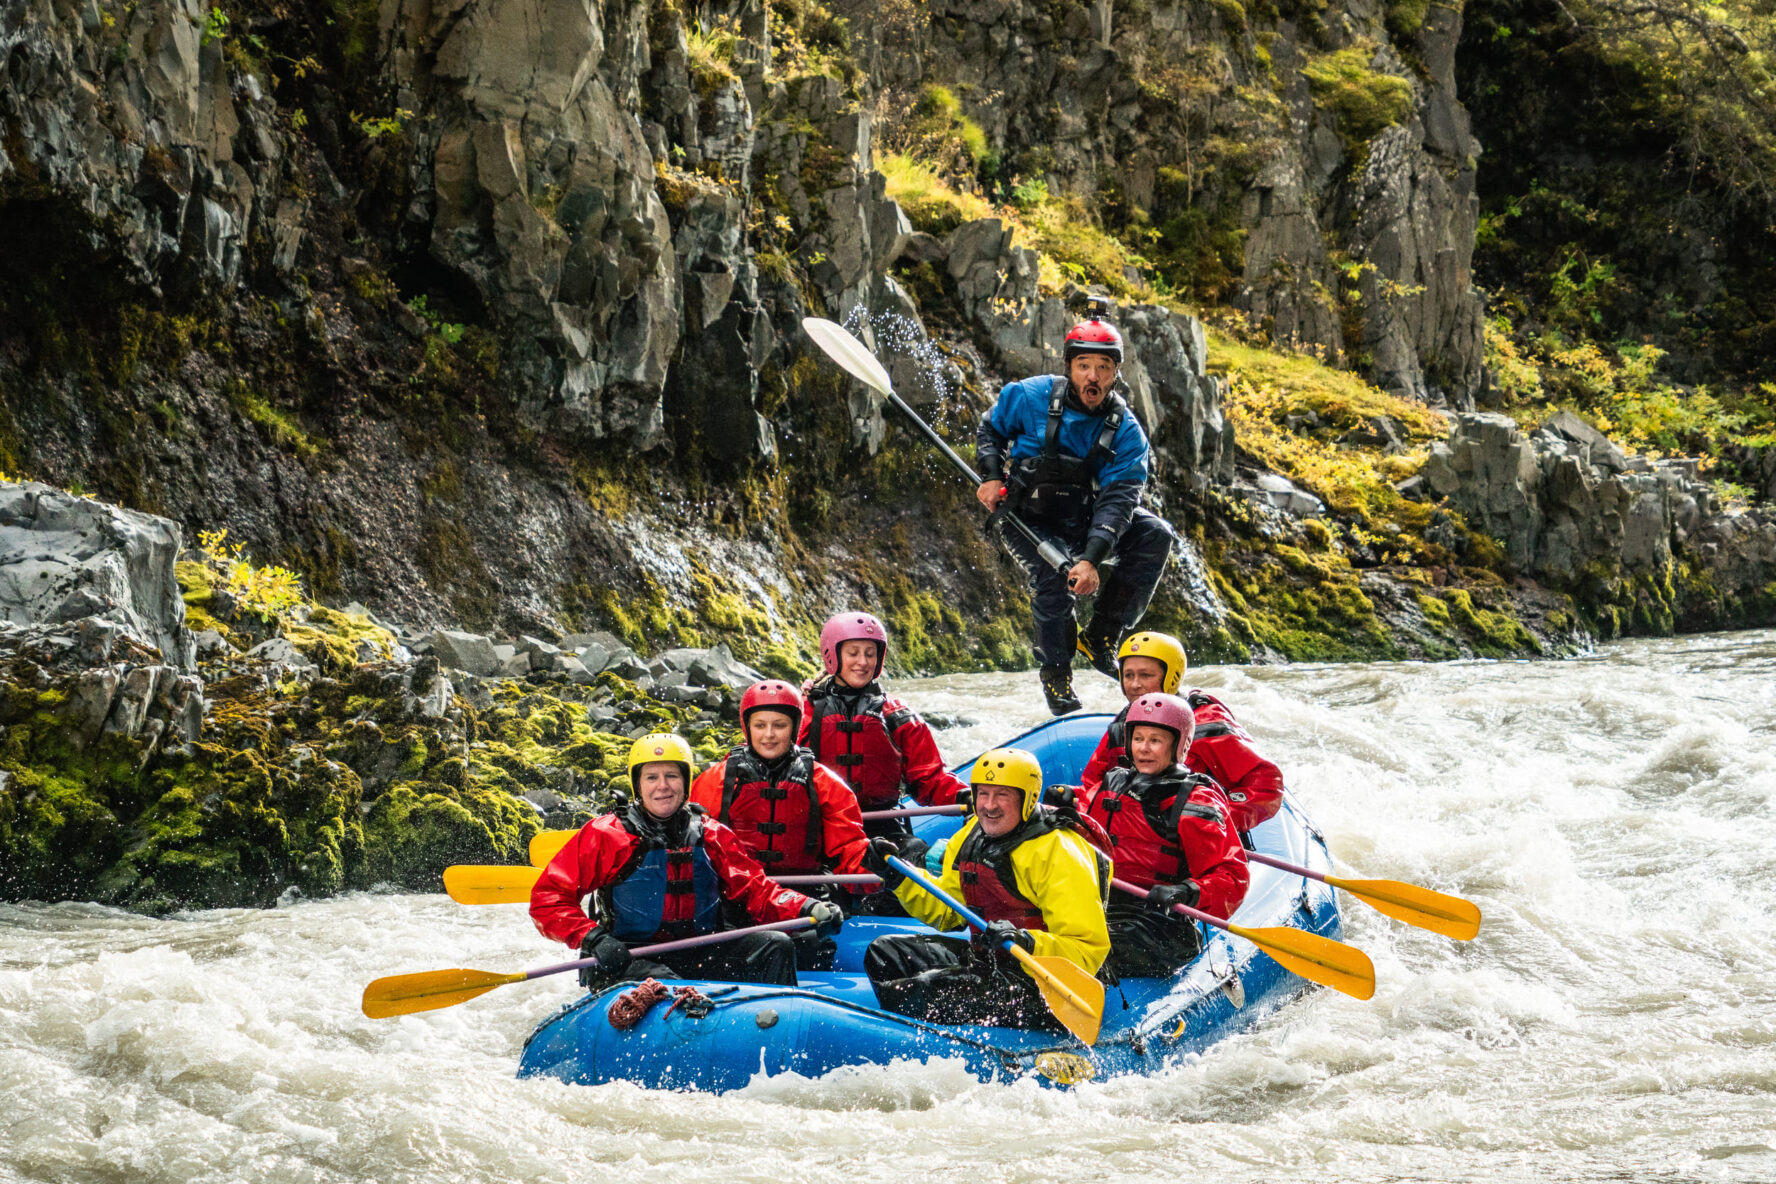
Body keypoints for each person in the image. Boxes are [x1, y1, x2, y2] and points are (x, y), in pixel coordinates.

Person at [974, 304, 1176, 716]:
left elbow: (1120, 502)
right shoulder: (1028, 396)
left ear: (1116, 373)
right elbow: (990, 428)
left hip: (1085, 520)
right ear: (1069, 367)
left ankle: (1102, 634)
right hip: (1027, 516)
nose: (1093, 376)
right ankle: (1057, 671)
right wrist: (992, 474)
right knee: (1053, 573)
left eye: (1103, 366)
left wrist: (1092, 560)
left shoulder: (1128, 432)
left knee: (1155, 533)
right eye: (1084, 365)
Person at [529, 733, 842, 989]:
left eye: (671, 776)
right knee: (665, 985)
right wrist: (592, 937)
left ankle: (776, 1029)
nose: (662, 786)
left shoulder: (711, 833)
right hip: (630, 958)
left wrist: (806, 906)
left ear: (686, 781)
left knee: (775, 945)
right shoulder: (607, 835)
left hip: (702, 951)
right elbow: (547, 899)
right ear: (638, 785)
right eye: (652, 777)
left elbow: (757, 891)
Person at [860, 747, 1110, 1029]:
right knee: (884, 953)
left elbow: (1088, 950)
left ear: (1027, 799)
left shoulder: (1058, 852)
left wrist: (1026, 941)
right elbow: (948, 912)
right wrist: (900, 878)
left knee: (928, 990)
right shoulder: (972, 835)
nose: (989, 805)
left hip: (1038, 982)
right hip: (987, 961)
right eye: (983, 793)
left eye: (1002, 795)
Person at [690, 679, 872, 968]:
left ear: (796, 727)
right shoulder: (715, 781)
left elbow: (849, 849)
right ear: (747, 728)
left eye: (780, 725)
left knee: (809, 946)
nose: (769, 735)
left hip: (806, 897)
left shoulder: (824, 783)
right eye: (760, 725)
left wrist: (872, 862)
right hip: (737, 901)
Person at [1083, 693, 1248, 978]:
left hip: (1164, 923)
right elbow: (1088, 837)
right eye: (1138, 739)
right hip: (1108, 908)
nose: (1144, 749)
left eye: (1155, 741)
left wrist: (1186, 891)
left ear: (1179, 746)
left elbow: (1232, 877)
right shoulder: (1114, 783)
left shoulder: (1195, 801)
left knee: (1105, 950)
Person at [1078, 631, 1285, 834]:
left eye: (1146, 675)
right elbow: (1093, 785)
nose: (1134, 685)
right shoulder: (1123, 724)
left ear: (1171, 677)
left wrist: (1209, 818)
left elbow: (1267, 785)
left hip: (1200, 841)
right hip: (1138, 838)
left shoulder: (1206, 722)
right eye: (1128, 675)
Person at [801, 611, 967, 832]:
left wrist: (967, 796)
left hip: (882, 824)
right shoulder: (805, 711)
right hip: (820, 827)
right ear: (833, 655)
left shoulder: (896, 715)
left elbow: (930, 779)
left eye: (870, 654)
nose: (863, 662)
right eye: (853, 653)